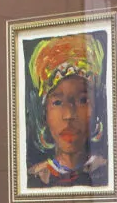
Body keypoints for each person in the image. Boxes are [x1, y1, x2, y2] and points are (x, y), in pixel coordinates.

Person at [25, 31, 109, 188]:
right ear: (44, 112)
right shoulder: (35, 178)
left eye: (82, 100)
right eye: (57, 102)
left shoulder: (107, 172)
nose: (69, 115)